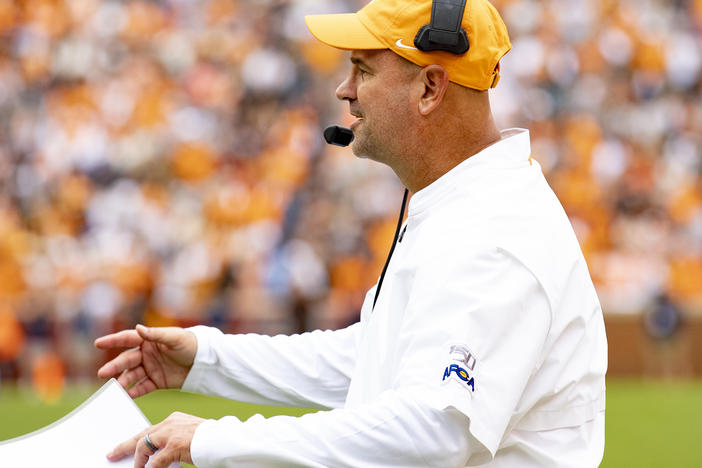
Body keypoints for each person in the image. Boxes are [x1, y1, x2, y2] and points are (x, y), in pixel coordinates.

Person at [95, 1, 608, 467]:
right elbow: (375, 358)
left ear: (430, 88)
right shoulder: (465, 204)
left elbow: (433, 429)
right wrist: (210, 359)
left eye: (363, 69)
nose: (345, 89)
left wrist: (215, 440)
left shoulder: (494, 234)